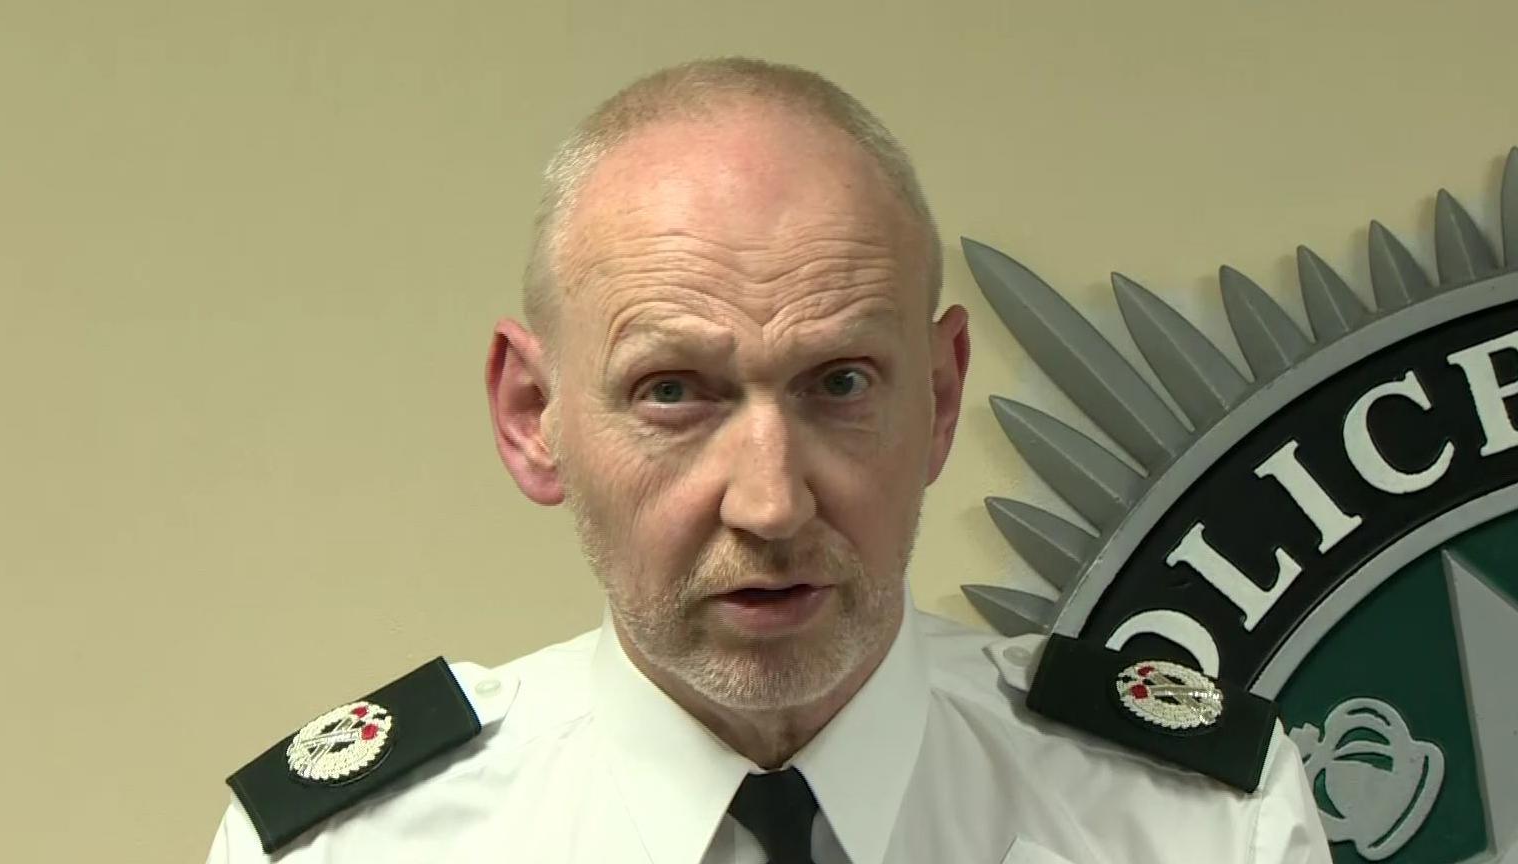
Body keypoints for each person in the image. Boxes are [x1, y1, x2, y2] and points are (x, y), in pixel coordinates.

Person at [205, 57, 1331, 863]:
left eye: (840, 385)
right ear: (532, 413)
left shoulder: (1195, 824)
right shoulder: (352, 846)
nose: (773, 501)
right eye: (674, 393)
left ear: (938, 400)